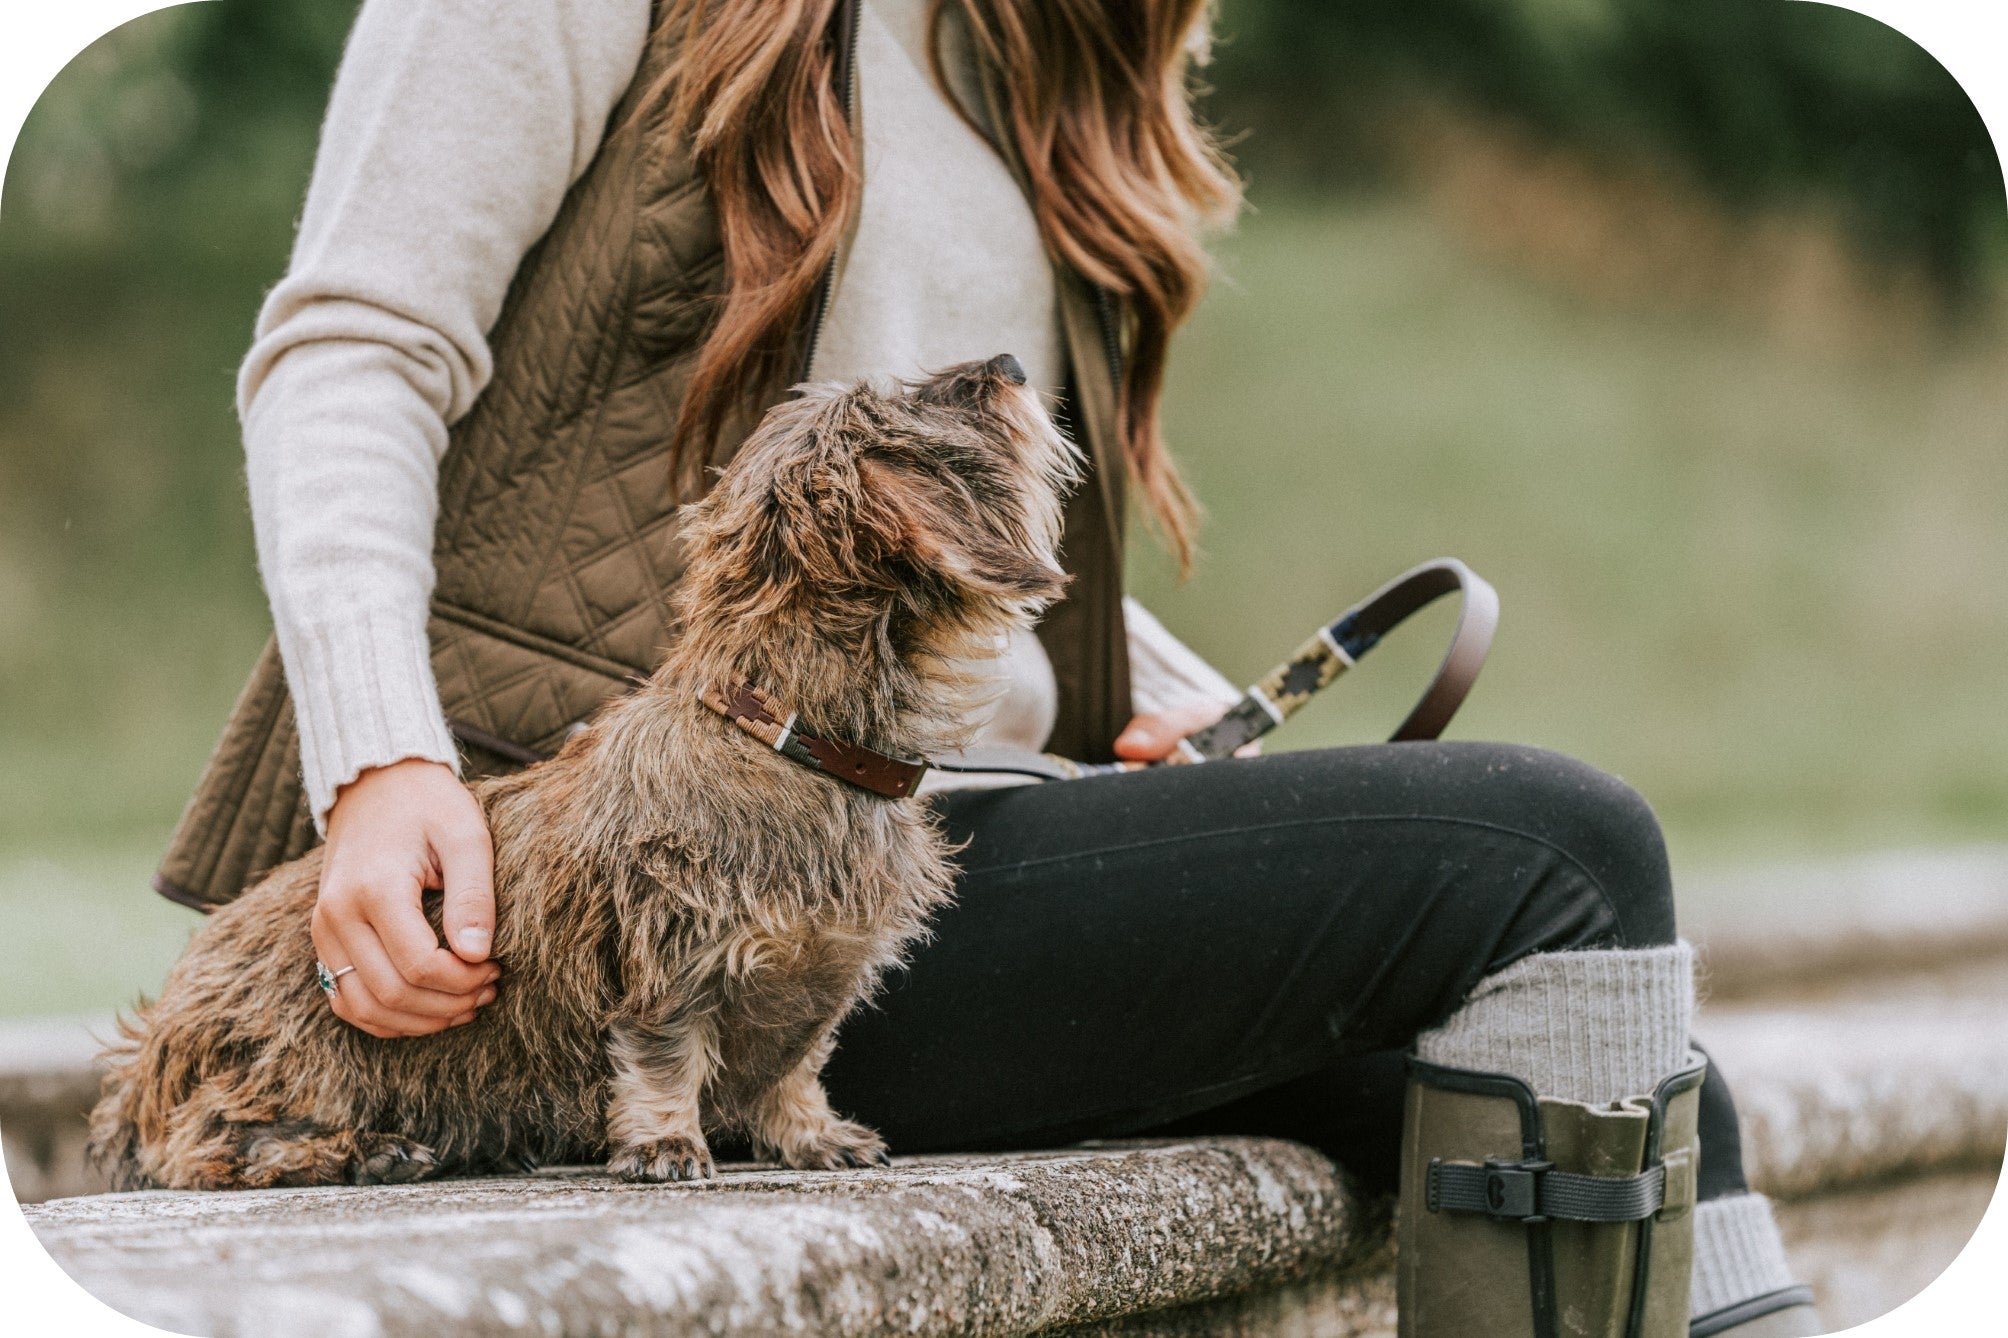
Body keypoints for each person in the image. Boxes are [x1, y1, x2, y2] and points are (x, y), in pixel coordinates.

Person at [177, 2, 1818, 1333]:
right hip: (615, 901)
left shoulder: (1022, 45)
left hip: (919, 825)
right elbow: (351, 348)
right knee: (1560, 855)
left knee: (1621, 1057)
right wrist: (381, 758)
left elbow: (929, 542)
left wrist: (1142, 691)